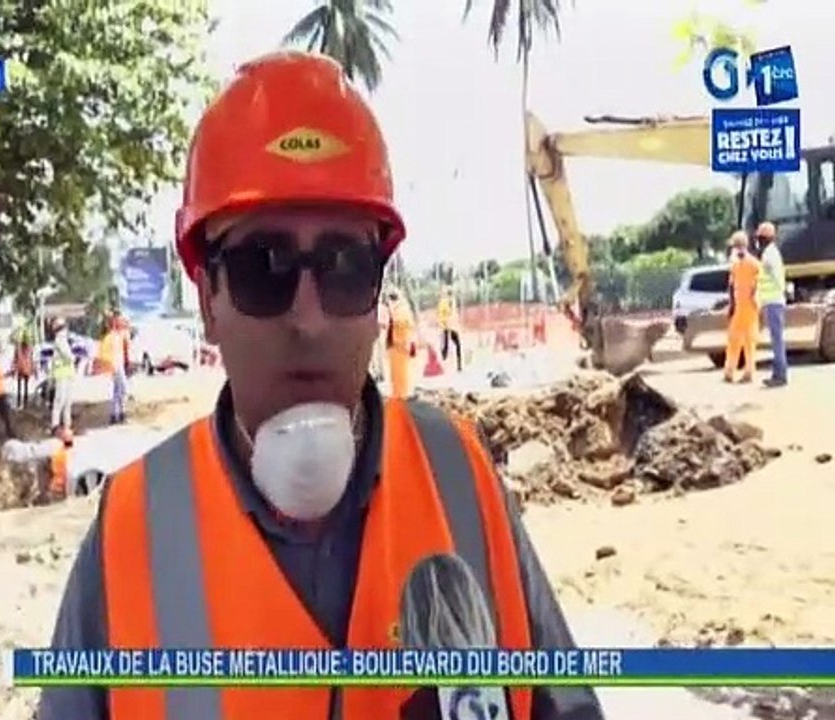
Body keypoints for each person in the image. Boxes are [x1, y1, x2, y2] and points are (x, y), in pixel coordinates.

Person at [38, 51, 603, 720]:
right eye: (263, 267)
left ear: (376, 291)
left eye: (345, 266)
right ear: (208, 299)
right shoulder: (134, 525)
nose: (308, 320)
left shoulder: (461, 476)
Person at [724, 230, 761, 383]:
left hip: (749, 307)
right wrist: (732, 305)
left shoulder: (752, 264)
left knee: (747, 340)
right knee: (737, 339)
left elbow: (759, 284)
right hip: (742, 307)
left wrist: (755, 299)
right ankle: (732, 371)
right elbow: (732, 286)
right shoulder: (738, 264)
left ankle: (746, 372)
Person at [755, 221, 788, 387]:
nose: (758, 240)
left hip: (773, 301)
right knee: (776, 339)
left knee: (777, 340)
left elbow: (777, 278)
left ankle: (780, 375)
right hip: (772, 301)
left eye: (760, 237)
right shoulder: (770, 252)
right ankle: (778, 373)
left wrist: (777, 294)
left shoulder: (769, 255)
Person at [98, 313, 131, 424]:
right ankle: (120, 414)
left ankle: (116, 414)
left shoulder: (116, 336)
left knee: (117, 390)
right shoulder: (113, 336)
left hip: (117, 365)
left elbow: (124, 350)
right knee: (123, 389)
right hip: (116, 365)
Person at [385, 287, 416, 398]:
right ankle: (398, 393)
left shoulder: (400, 310)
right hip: (396, 345)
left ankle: (401, 394)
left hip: (400, 345)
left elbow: (401, 324)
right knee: (396, 373)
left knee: (400, 373)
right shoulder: (399, 309)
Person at [50, 317, 76, 432]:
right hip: (62, 373)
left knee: (67, 401)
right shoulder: (60, 340)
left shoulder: (63, 340)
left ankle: (66, 424)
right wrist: (74, 358)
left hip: (67, 372)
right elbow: (69, 356)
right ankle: (56, 425)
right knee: (61, 400)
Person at [437, 285, 463, 372]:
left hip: (453, 327)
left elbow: (454, 314)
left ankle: (459, 365)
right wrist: (444, 325)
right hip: (446, 327)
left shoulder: (453, 302)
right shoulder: (443, 303)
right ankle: (444, 361)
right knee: (445, 346)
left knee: (457, 345)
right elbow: (441, 315)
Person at [13, 332, 35, 409]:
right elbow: (32, 359)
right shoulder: (30, 347)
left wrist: (14, 367)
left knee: (20, 387)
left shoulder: (18, 347)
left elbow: (15, 358)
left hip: (20, 368)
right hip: (26, 368)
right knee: (25, 386)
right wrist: (33, 369)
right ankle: (25, 403)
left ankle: (19, 403)